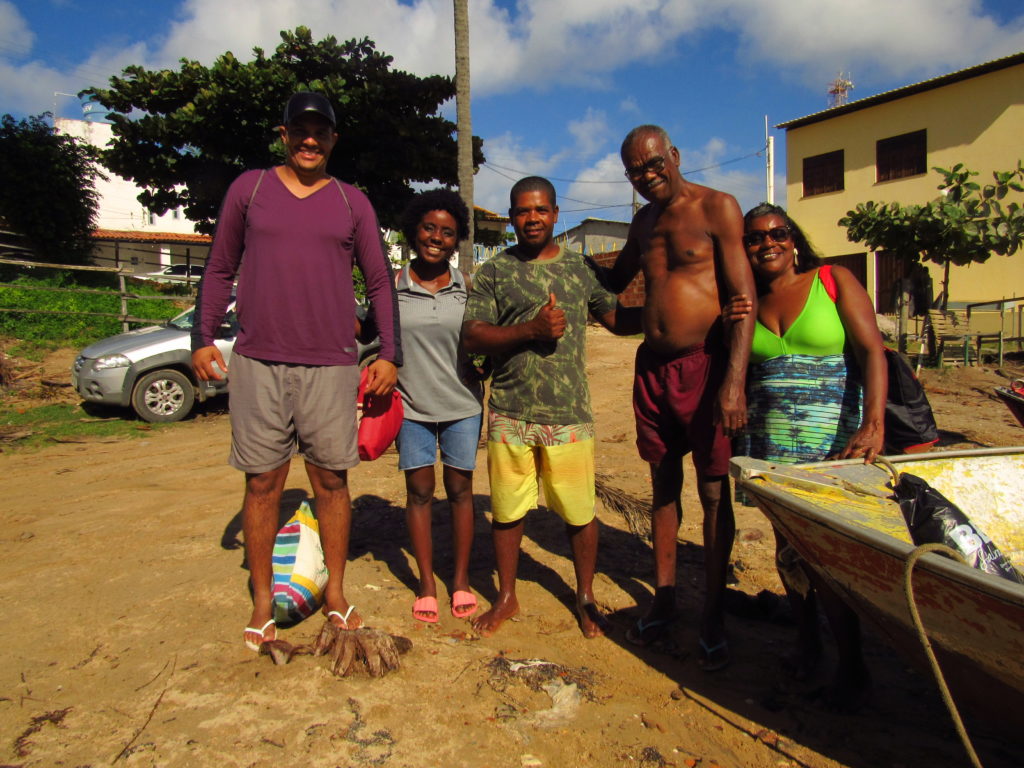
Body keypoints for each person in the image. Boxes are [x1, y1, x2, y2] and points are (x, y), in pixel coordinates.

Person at [191, 92, 401, 652]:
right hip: (258, 360)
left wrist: (389, 353)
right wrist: (201, 337)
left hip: (331, 365)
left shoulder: (352, 202)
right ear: (283, 135)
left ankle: (335, 591)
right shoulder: (250, 189)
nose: (311, 140)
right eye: (300, 130)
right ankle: (263, 598)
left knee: (331, 481)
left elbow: (379, 282)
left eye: (322, 132)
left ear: (334, 139)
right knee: (262, 482)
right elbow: (219, 267)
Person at [605, 125, 756, 670]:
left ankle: (713, 611)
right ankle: (665, 597)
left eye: (652, 164)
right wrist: (563, 275)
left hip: (707, 368)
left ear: (674, 156)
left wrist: (734, 381)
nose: (646, 177)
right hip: (653, 369)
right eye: (635, 172)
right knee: (662, 484)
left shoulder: (718, 208)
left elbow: (742, 298)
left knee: (715, 493)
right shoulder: (642, 223)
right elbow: (614, 281)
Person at [462, 176, 639, 639]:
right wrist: (531, 330)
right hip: (509, 412)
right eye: (522, 211)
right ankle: (507, 596)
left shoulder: (580, 268)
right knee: (507, 511)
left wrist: (671, 311)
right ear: (513, 217)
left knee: (579, 512)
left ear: (556, 214)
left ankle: (584, 596)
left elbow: (616, 318)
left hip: (568, 416)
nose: (532, 218)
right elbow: (473, 334)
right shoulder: (495, 271)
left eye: (540, 209)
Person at [726, 202, 885, 707]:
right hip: (772, 443)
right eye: (755, 238)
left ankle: (853, 665)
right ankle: (807, 640)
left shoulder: (832, 279)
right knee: (788, 548)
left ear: (793, 240)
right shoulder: (745, 300)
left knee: (831, 557)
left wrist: (873, 423)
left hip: (834, 443)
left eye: (777, 233)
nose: (767, 242)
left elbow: (872, 351)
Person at [393, 190, 483, 623]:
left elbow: (485, 338)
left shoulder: (468, 287)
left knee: (461, 492)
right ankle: (427, 583)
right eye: (429, 228)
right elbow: (365, 331)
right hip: (410, 408)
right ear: (415, 230)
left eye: (448, 232)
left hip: (463, 405)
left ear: (457, 240)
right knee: (420, 493)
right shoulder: (392, 285)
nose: (436, 238)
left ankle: (460, 580)